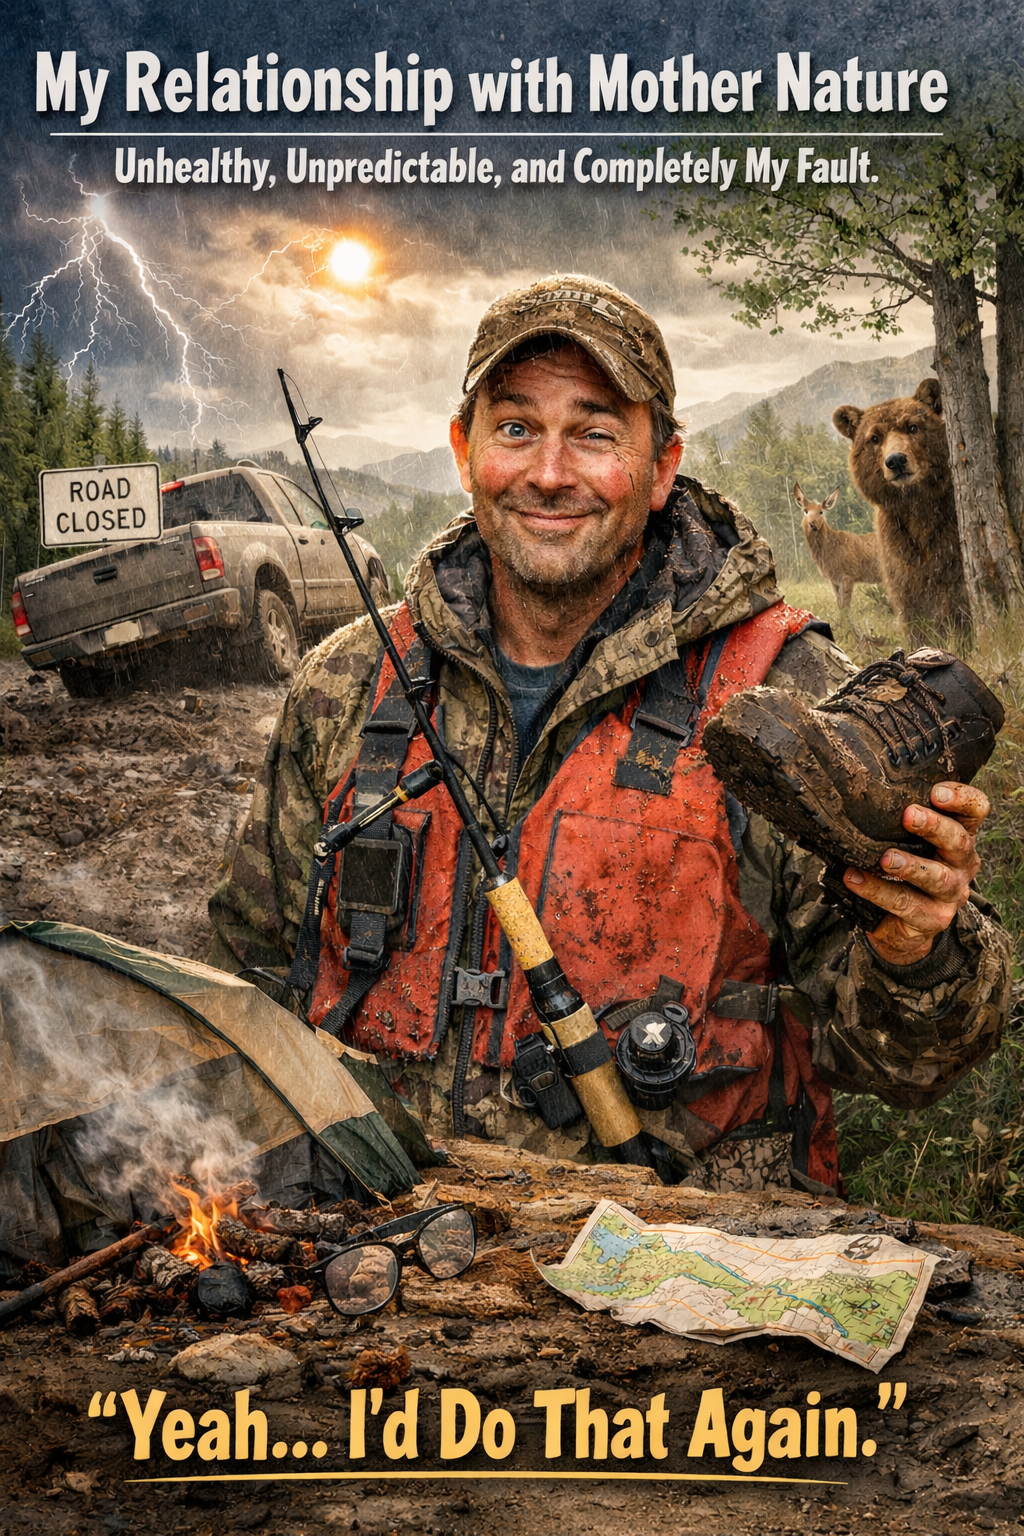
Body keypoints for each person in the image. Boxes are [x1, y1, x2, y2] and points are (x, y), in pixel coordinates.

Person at [209, 275, 1011, 1194]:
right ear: (465, 452)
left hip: (683, 1299)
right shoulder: (347, 682)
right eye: (515, 429)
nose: (550, 473)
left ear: (663, 465)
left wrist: (917, 949)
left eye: (595, 433)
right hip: (377, 1265)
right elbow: (245, 977)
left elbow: (916, 1064)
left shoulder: (791, 702)